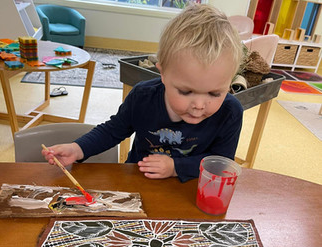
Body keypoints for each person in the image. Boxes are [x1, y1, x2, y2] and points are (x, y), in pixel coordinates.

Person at [42, 3, 244, 183]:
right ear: (162, 73)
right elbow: (112, 131)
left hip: (193, 189)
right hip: (139, 180)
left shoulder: (230, 112)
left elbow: (221, 162)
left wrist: (176, 168)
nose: (199, 105)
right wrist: (78, 149)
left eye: (215, 94)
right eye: (185, 91)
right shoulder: (143, 97)